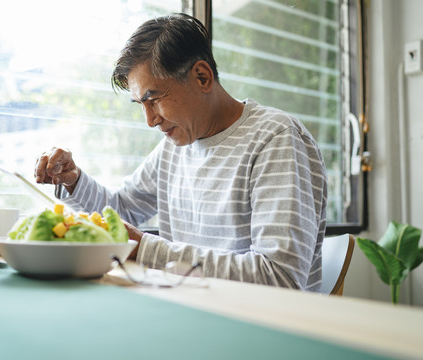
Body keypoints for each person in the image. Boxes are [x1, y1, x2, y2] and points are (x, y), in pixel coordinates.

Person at [34, 13, 327, 291]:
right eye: (141, 105)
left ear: (202, 77)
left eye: (154, 99)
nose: (150, 120)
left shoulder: (275, 138)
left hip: (260, 331)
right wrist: (73, 181)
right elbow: (122, 212)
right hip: (190, 314)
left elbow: (280, 278)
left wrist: (147, 249)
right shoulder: (174, 148)